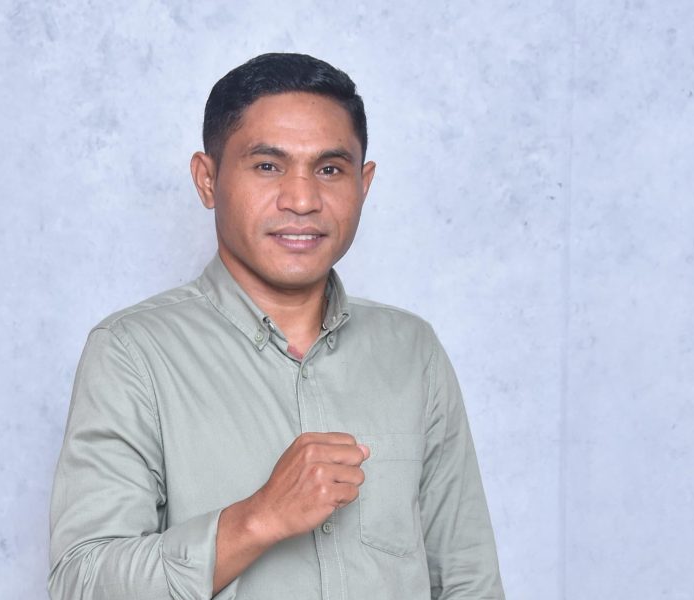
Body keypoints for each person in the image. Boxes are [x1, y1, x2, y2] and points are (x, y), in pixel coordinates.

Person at [49, 52, 504, 599]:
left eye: (329, 169)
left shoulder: (412, 351)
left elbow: (468, 579)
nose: (303, 200)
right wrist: (259, 518)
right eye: (268, 166)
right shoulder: (132, 352)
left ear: (364, 183)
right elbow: (82, 582)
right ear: (207, 180)